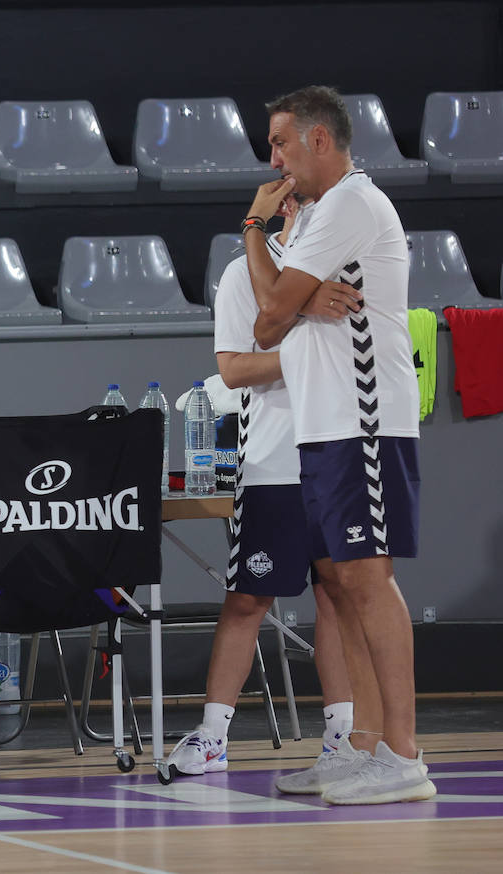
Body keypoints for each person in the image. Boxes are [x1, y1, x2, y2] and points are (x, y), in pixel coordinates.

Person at [244, 86, 432, 804]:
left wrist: (254, 228)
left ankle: (404, 756)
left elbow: (265, 317)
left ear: (320, 141)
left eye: (281, 142)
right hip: (327, 426)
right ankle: (361, 749)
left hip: (364, 422)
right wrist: (291, 291)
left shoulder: (350, 202)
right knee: (340, 586)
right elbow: (275, 319)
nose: (274, 157)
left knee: (366, 580)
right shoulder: (320, 216)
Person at [165, 198, 361, 789]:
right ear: (280, 210)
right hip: (273, 463)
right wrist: (310, 352)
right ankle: (212, 738)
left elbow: (365, 358)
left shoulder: (349, 267)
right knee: (248, 600)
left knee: (340, 599)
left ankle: (342, 739)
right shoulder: (240, 274)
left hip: (342, 456)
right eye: (298, 200)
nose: (309, 210)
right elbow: (232, 370)